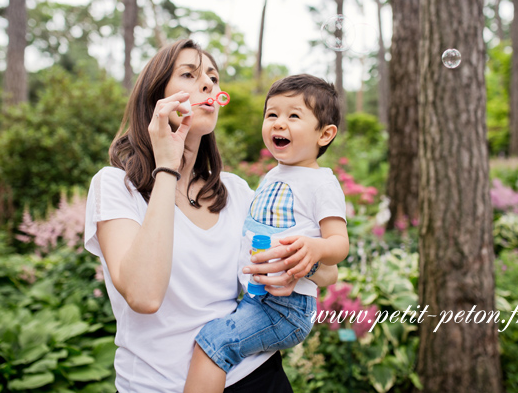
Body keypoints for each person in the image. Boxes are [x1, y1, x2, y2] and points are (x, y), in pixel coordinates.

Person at [83, 39, 338, 393]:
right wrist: (167, 168)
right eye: (189, 74)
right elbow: (144, 296)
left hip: (255, 376)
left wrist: (302, 262)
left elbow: (328, 272)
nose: (209, 85)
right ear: (156, 98)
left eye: (214, 78)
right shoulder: (115, 186)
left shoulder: (235, 192)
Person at [184, 74, 350, 393]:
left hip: (286, 307)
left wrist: (314, 250)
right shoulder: (273, 175)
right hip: (257, 299)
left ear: (325, 134)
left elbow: (339, 244)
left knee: (213, 343)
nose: (278, 123)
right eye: (272, 114)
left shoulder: (322, 184)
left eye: (293, 116)